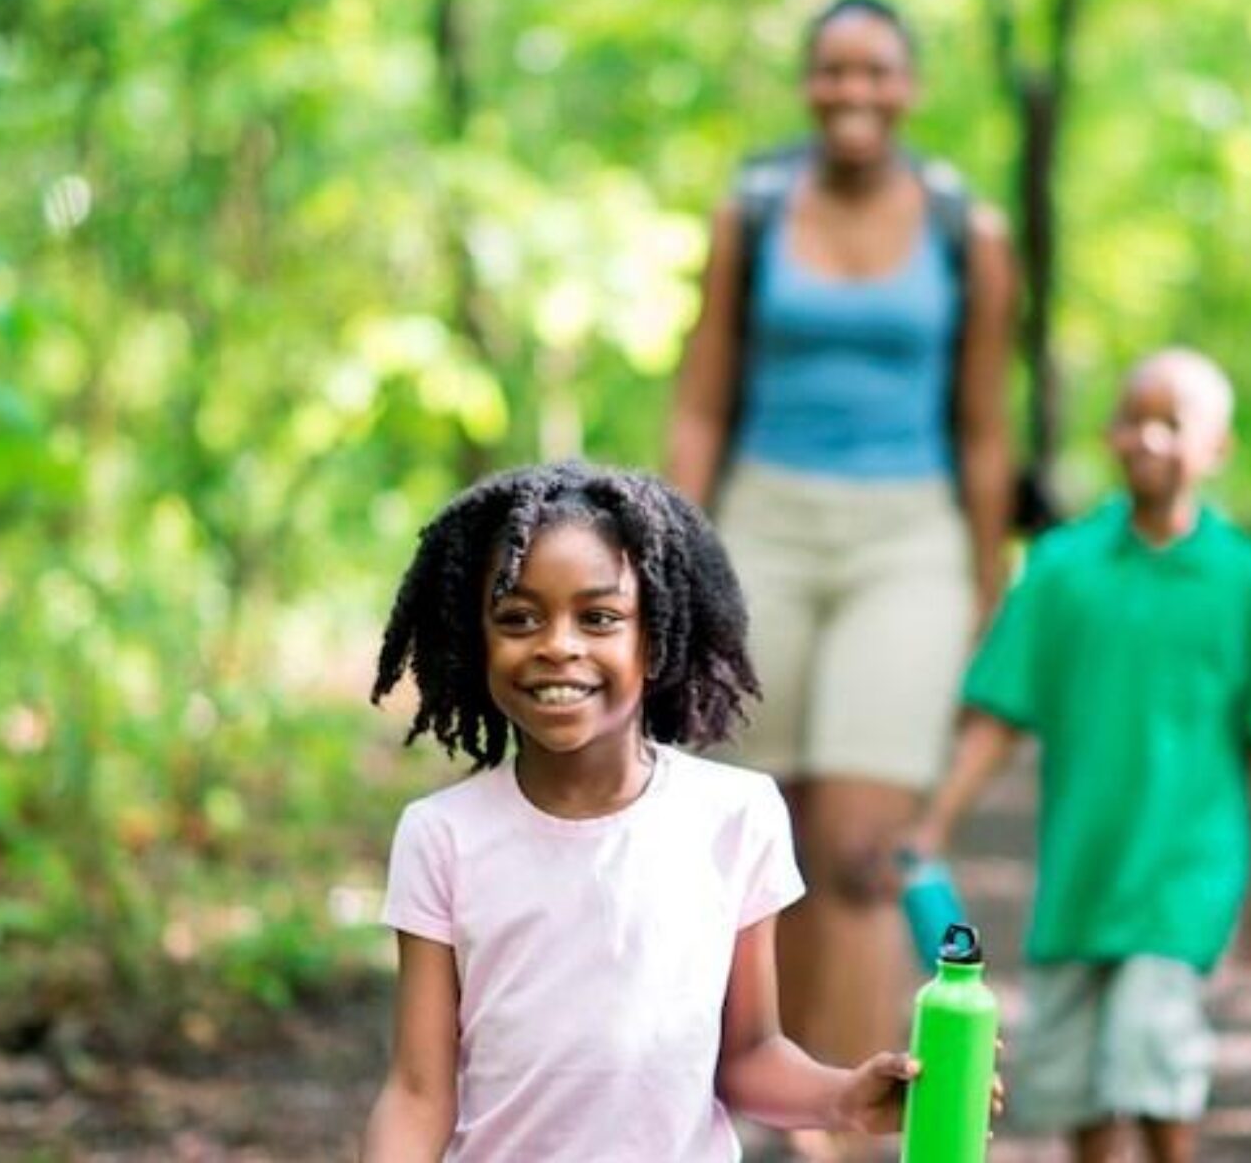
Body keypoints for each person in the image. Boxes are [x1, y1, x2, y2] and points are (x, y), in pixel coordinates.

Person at [361, 463, 934, 1162]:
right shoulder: (442, 835)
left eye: (599, 617)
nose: (558, 645)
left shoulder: (736, 817)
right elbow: (419, 1092)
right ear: (477, 640)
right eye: (518, 618)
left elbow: (746, 1056)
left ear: (657, 636)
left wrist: (844, 1096)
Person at [664, 0, 1018, 1117]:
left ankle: (851, 1130)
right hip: (761, 522)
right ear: (810, 85)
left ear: (909, 88)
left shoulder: (971, 230)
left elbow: (983, 425)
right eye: (833, 72)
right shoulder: (753, 211)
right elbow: (703, 397)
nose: (853, 93)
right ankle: (768, 1093)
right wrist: (674, 552)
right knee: (758, 833)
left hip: (907, 533)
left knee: (865, 846)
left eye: (877, 73)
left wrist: (985, 582)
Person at [904, 349, 1251, 1163]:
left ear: (1216, 448)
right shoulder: (1061, 570)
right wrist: (933, 826)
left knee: (1152, 1068)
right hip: (1081, 872)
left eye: (1171, 424)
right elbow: (1000, 716)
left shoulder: (1248, 580)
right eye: (1132, 419)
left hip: (1185, 871)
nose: (1146, 438)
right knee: (1079, 1085)